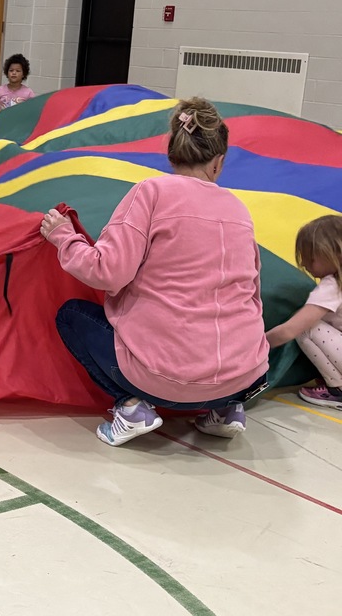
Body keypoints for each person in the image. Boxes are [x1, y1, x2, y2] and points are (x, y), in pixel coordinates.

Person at [40, 98, 269, 446]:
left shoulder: (151, 193)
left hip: (165, 379)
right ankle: (226, 409)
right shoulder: (239, 208)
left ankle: (132, 407)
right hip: (243, 376)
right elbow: (251, 293)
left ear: (171, 152)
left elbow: (107, 272)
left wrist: (64, 239)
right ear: (219, 162)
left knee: (71, 316)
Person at [266, 215, 342, 410]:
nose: (305, 265)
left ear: (331, 253)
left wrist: (256, 346)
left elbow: (289, 331)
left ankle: (337, 389)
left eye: (310, 258)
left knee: (306, 328)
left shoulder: (332, 286)